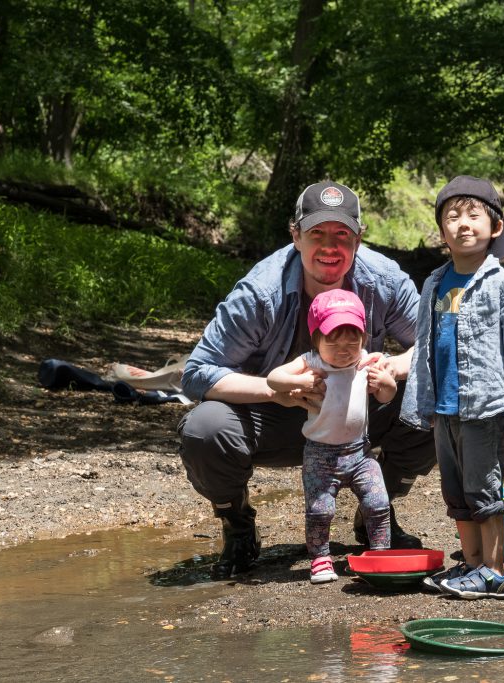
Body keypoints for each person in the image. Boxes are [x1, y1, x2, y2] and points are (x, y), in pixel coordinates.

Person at [179, 181, 436, 581]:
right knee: (204, 428)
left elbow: (432, 345)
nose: (330, 247)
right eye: (317, 234)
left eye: (342, 235)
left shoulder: (384, 280)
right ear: (295, 236)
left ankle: (376, 513)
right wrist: (272, 389)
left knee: (438, 398)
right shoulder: (260, 292)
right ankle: (238, 525)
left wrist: (392, 368)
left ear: (358, 238)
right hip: (278, 417)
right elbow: (197, 374)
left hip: (358, 419)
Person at [401, 175, 504, 600]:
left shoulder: (503, 283)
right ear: (442, 231)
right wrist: (417, 398)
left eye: (473, 215)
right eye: (452, 217)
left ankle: (495, 571)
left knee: (485, 490)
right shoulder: (433, 284)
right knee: (457, 491)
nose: (463, 224)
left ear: (494, 227)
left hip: (485, 405)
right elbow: (426, 341)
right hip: (444, 407)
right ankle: (471, 563)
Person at [266, 289, 397, 584]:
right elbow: (274, 378)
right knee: (320, 509)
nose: (344, 348)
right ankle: (321, 557)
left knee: (378, 503)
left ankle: (379, 554)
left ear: (363, 338)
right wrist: (299, 380)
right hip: (320, 454)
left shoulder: (367, 362)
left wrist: (386, 383)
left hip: (360, 452)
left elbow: (388, 395)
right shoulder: (312, 362)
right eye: (333, 340)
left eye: (353, 340)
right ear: (316, 339)